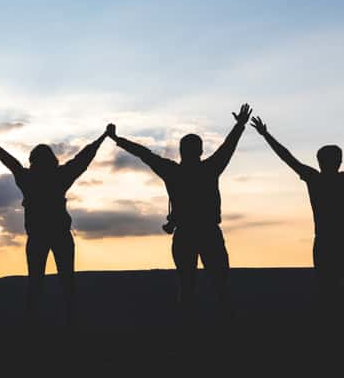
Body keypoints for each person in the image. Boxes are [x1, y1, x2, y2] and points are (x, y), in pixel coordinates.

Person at [108, 105, 253, 320]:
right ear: (200, 151)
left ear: (181, 151)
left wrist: (117, 139)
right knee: (219, 284)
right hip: (208, 233)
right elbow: (228, 147)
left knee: (187, 285)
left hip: (186, 234)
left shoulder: (172, 171)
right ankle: (225, 323)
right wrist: (239, 125)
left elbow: (144, 154)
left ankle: (189, 325)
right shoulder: (209, 168)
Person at [250, 107, 344, 301]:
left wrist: (266, 135)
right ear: (339, 161)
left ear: (319, 161)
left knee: (328, 292)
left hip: (327, 243)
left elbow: (287, 157)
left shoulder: (316, 180)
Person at [0, 125, 108, 327]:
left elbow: (7, 159)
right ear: (52, 160)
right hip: (59, 235)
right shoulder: (60, 176)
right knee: (67, 283)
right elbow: (82, 159)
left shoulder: (27, 178)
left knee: (35, 284)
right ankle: (71, 324)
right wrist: (103, 137)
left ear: (33, 161)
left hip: (38, 237)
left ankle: (33, 325)